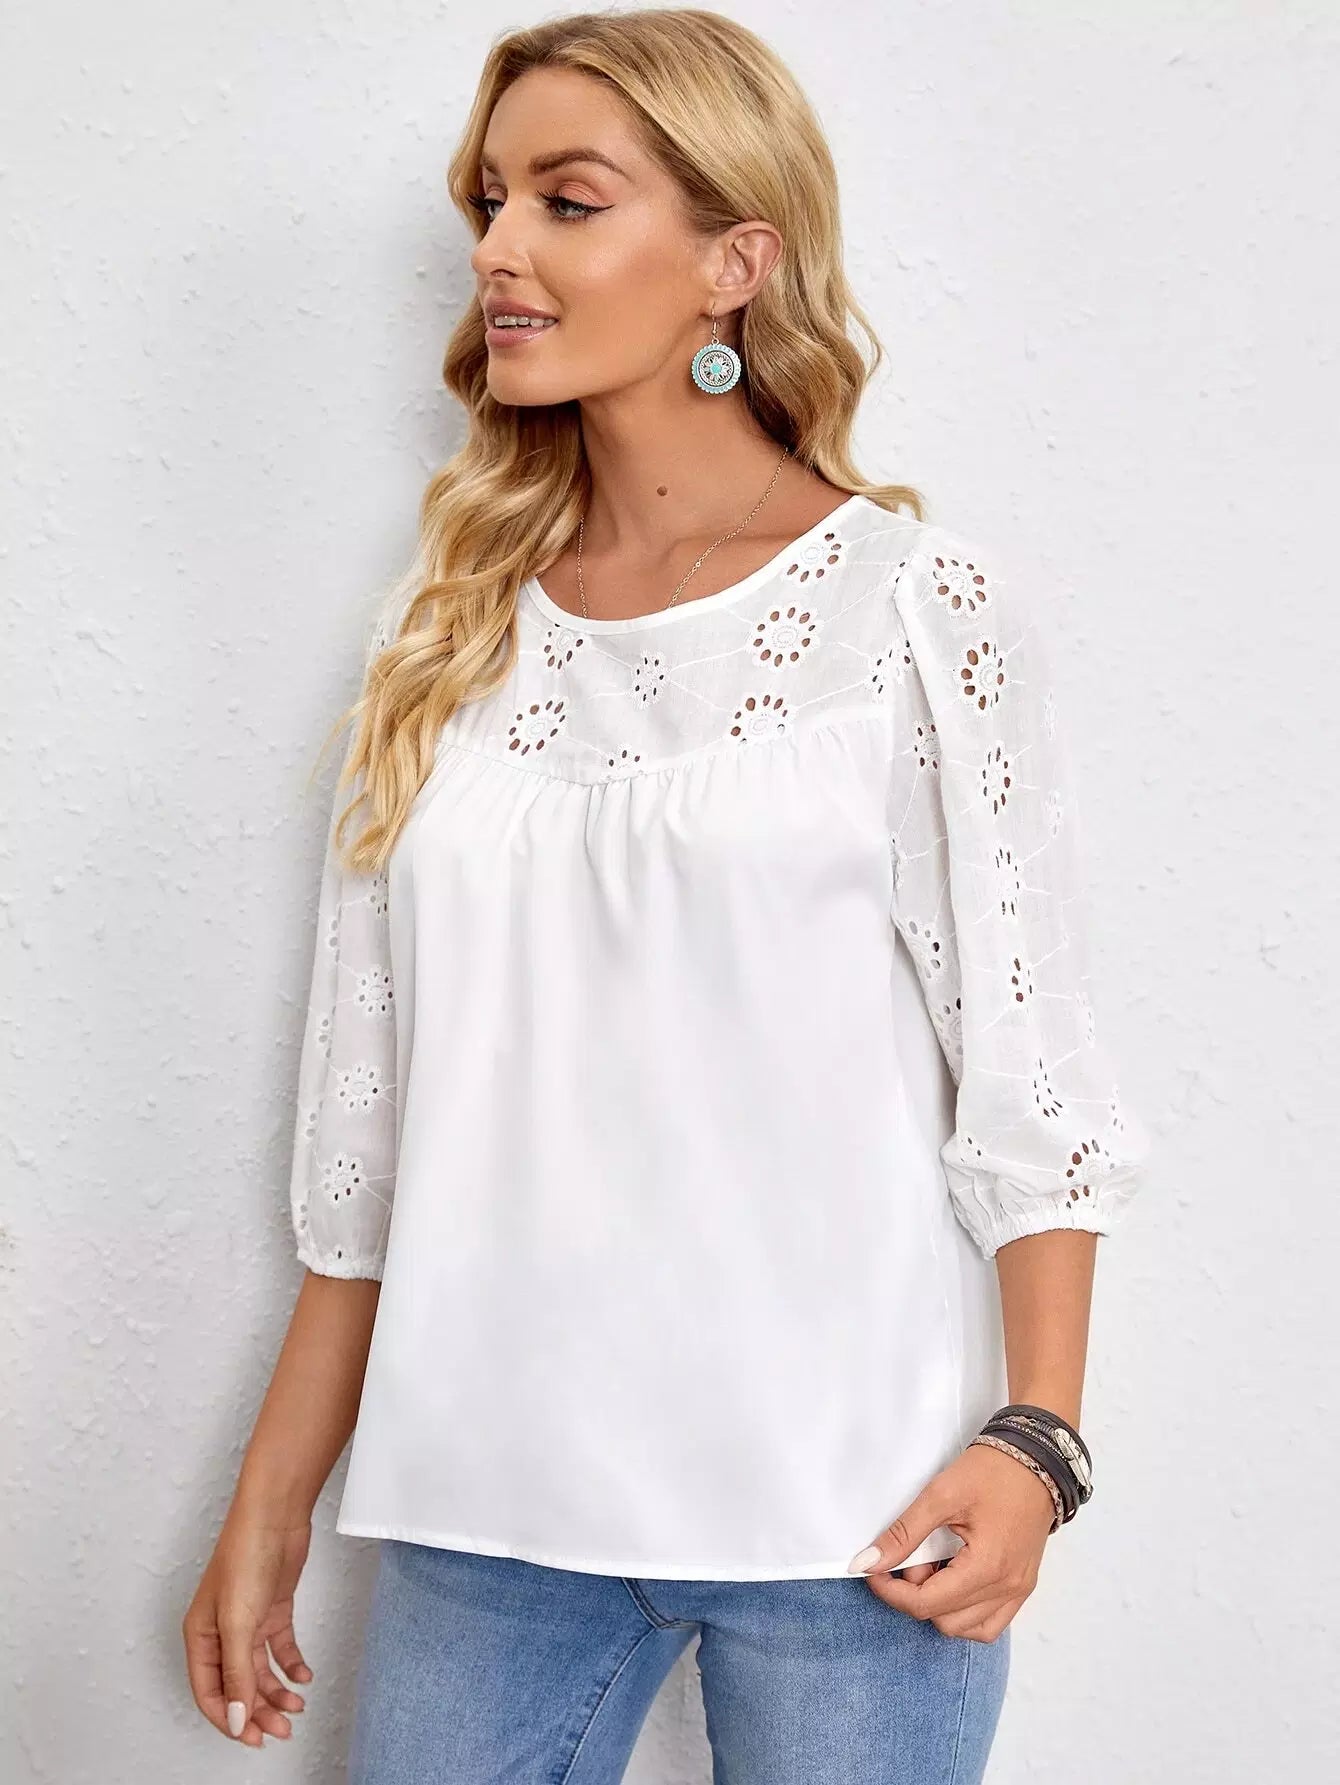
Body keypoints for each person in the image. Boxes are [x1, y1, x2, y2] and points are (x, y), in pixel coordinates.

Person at [182, 10, 1150, 1781]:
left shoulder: (914, 608)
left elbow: (1035, 1084)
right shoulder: (445, 636)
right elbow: (363, 1149)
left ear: (735, 263)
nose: (500, 248)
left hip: (860, 1517)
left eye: (567, 200)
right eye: (490, 200)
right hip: (486, 1511)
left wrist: (1040, 1442)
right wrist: (270, 1499)